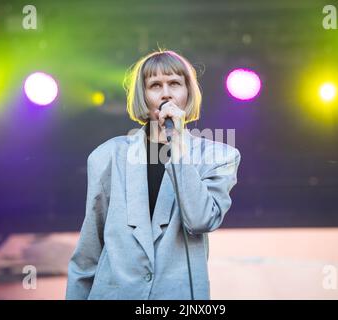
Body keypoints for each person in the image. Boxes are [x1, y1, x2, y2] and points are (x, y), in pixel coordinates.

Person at [66, 50, 241, 300]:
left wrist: (178, 145)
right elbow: (89, 250)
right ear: (143, 95)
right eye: (155, 85)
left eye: (175, 84)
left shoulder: (219, 156)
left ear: (188, 93)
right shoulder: (107, 156)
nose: (166, 93)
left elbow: (200, 220)